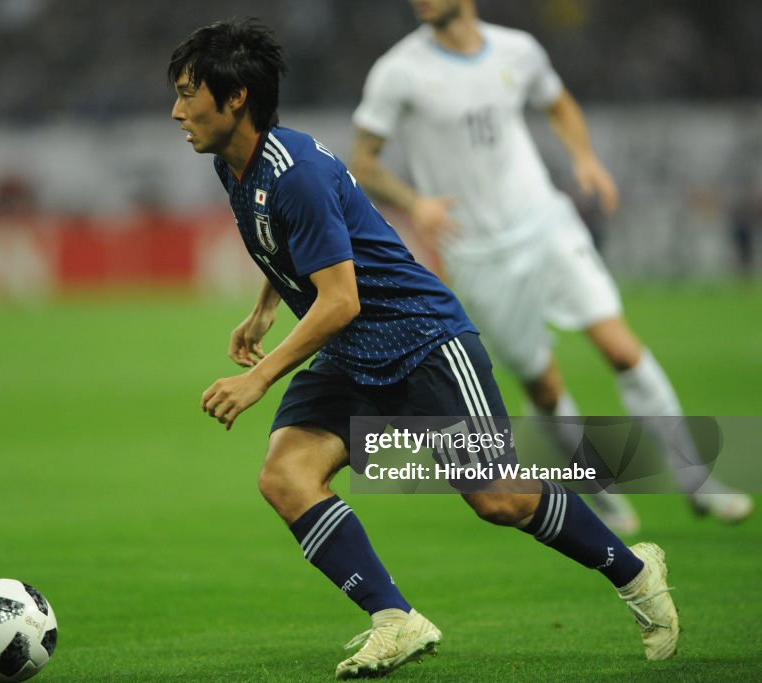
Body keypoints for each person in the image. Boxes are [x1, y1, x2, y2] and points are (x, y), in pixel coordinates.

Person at [169, 18, 678, 679]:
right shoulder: (234, 166)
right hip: (353, 354)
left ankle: (636, 572)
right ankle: (395, 618)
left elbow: (341, 299)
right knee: (285, 475)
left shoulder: (296, 172)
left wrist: (260, 376)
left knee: (497, 498)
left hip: (422, 339)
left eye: (188, 93)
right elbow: (287, 247)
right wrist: (264, 308)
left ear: (234, 97)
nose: (178, 110)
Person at [349, 0, 752, 532]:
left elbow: (558, 103)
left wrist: (585, 157)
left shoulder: (519, 49)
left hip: (545, 224)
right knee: (542, 385)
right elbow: (363, 161)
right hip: (477, 252)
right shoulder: (398, 70)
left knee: (620, 347)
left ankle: (696, 479)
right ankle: (598, 487)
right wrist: (414, 201)